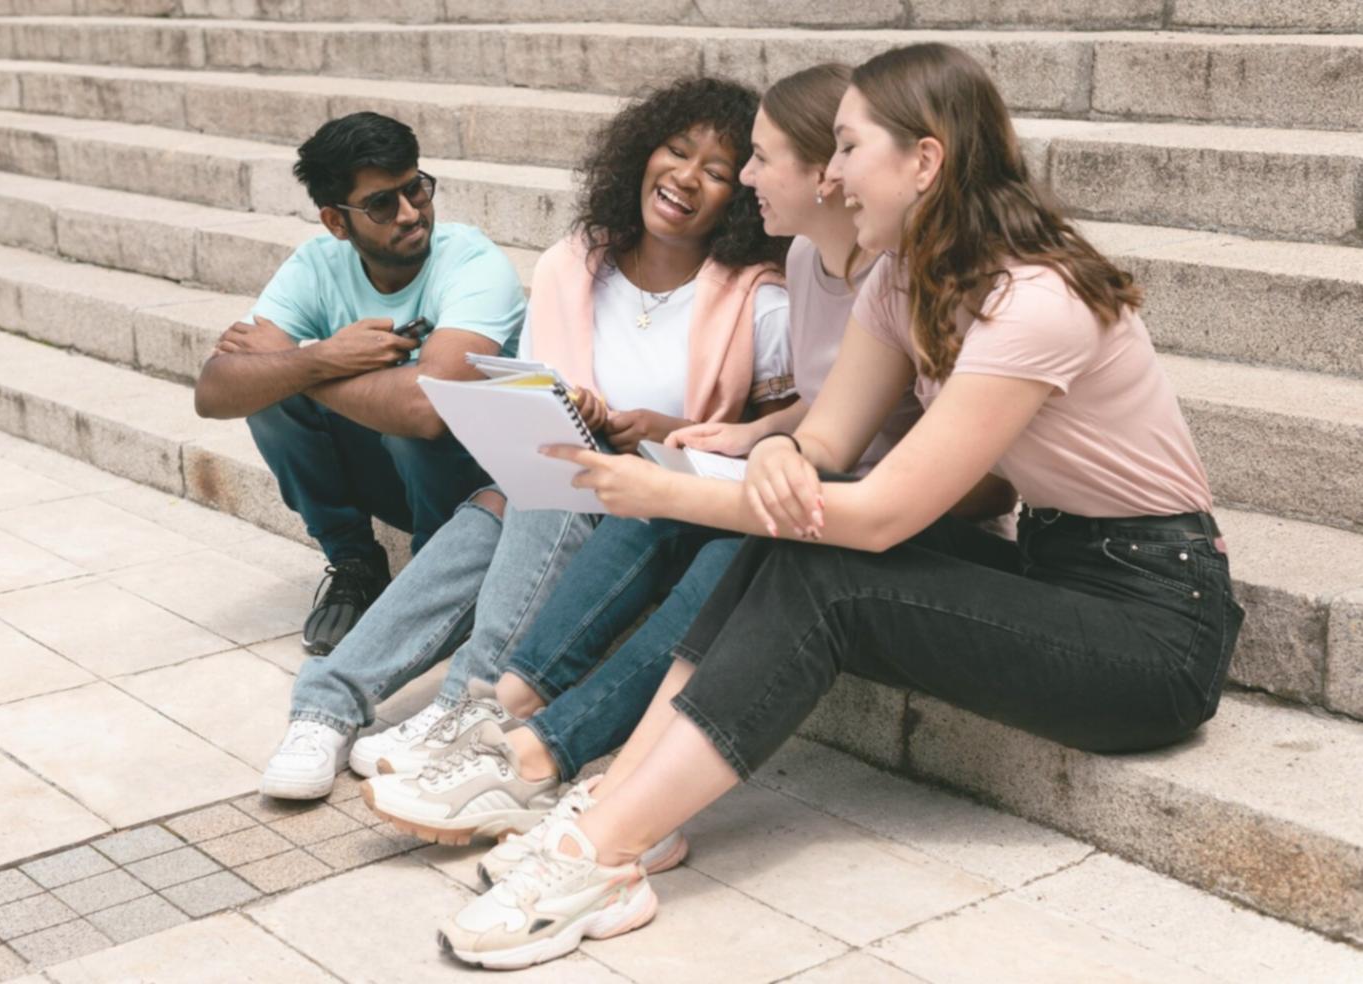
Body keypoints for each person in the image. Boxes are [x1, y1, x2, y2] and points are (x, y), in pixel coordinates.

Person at [437, 43, 1245, 970]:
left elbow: (880, 517)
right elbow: (823, 440)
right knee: (784, 550)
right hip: (1057, 569)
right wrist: (779, 451)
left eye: (849, 148)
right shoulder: (904, 278)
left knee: (824, 569)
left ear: (924, 161)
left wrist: (661, 489)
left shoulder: (1032, 301)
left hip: (1154, 627)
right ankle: (628, 803)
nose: (830, 174)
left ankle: (599, 855)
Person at [359, 63, 1010, 871]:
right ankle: (500, 709)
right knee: (653, 487)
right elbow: (834, 411)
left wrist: (750, 463)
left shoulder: (904, 278)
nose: (740, 177)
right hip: (829, 482)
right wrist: (758, 435)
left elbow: (967, 470)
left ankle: (536, 750)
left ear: (826, 175)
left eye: (760, 158)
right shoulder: (814, 264)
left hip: (901, 506)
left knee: (717, 532)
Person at [260, 77, 793, 802]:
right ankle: (329, 708)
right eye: (676, 151)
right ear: (642, 152)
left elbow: (785, 445)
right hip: (558, 493)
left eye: (719, 171)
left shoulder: (758, 302)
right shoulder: (574, 265)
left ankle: (467, 701)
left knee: (551, 482)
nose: (686, 178)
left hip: (666, 514)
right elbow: (537, 410)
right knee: (517, 493)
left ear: (740, 194)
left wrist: (669, 431)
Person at [193, 112, 526, 656]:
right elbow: (214, 391)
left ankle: (441, 581)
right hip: (394, 475)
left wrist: (305, 369)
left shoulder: (473, 264)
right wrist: (322, 359)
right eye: (381, 204)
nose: (411, 213)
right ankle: (355, 566)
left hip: (480, 486)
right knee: (269, 404)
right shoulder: (317, 266)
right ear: (336, 222)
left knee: (391, 421)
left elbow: (429, 408)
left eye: (416, 188)